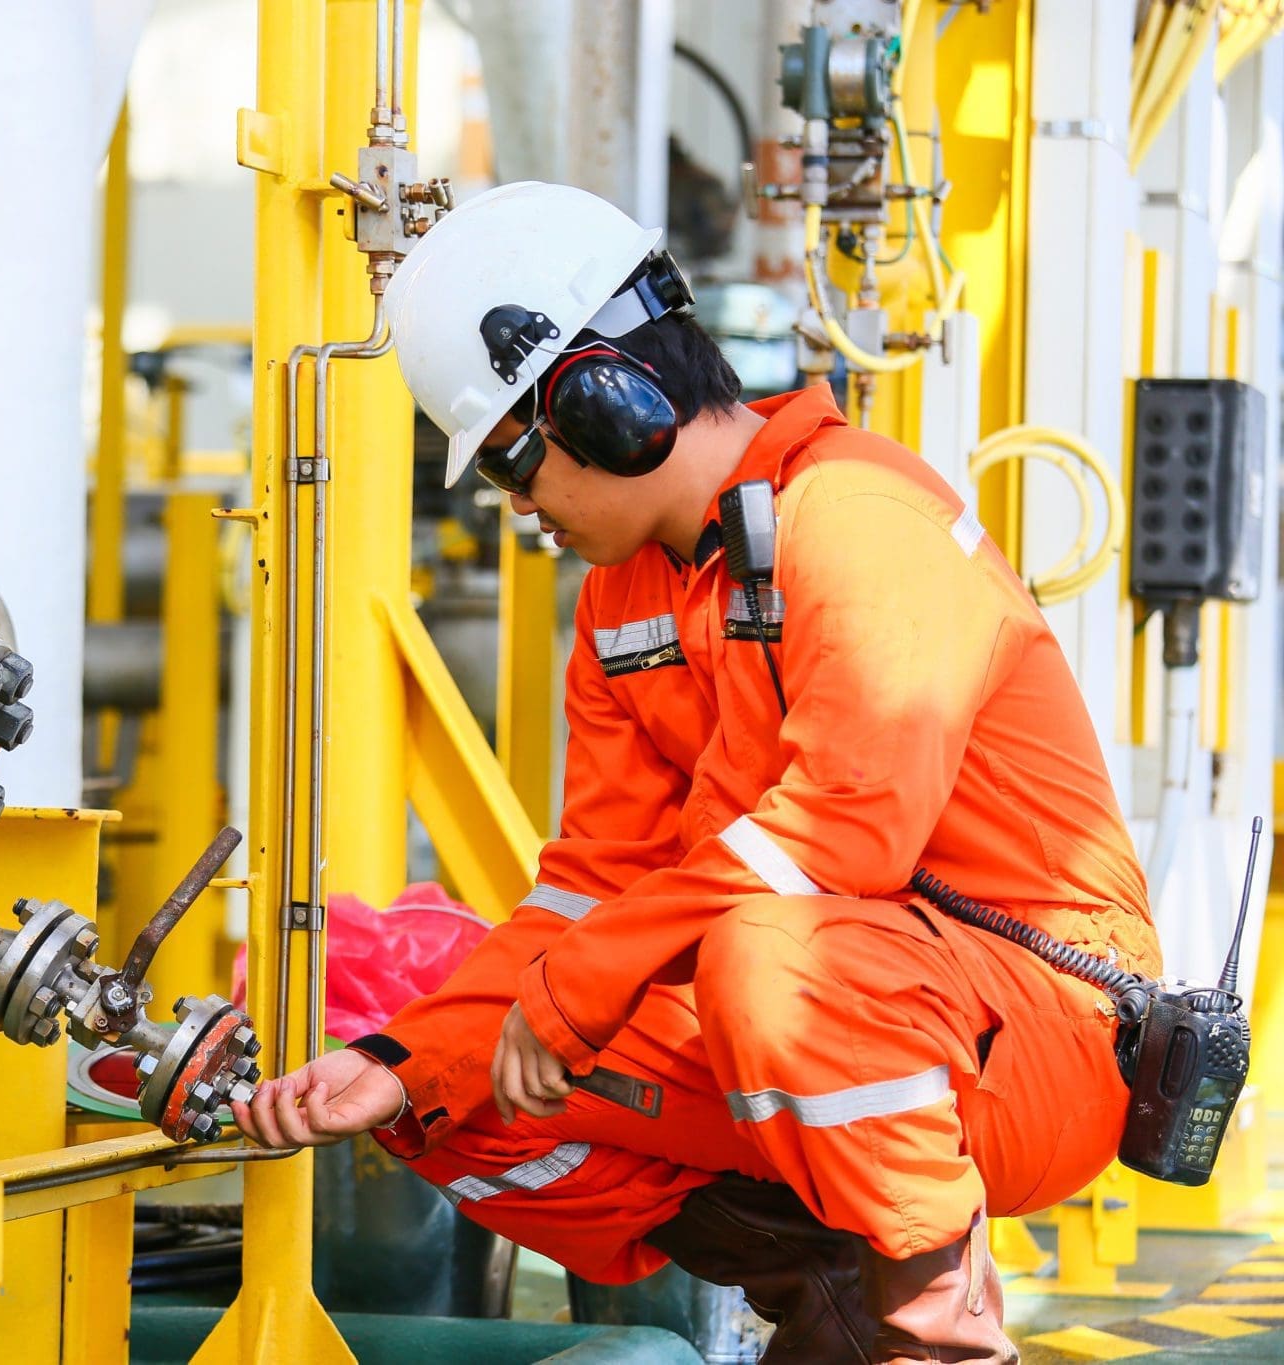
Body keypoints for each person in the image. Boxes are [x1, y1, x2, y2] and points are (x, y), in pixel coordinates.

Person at [229, 182, 1159, 1365]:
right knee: (448, 1098)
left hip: (1038, 1036)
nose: (521, 514)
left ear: (603, 408)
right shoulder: (624, 601)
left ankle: (940, 1341)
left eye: (514, 471)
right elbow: (588, 883)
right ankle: (830, 1308)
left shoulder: (858, 518)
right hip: (822, 1011)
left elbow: (840, 836)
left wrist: (578, 990)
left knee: (767, 957)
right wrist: (398, 1061)